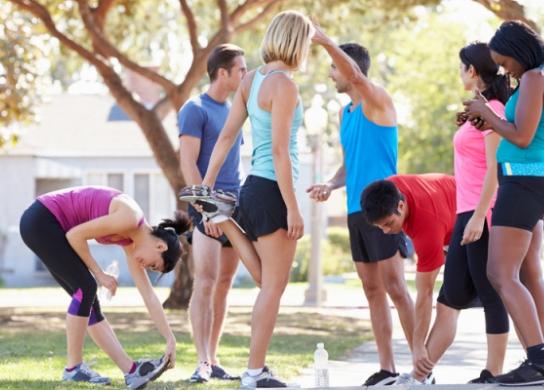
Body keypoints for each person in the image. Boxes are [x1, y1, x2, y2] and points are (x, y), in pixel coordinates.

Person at [183, 10, 314, 389]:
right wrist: (292, 206)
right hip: (274, 190)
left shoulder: (252, 80)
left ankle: (224, 219)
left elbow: (226, 139)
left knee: (265, 280)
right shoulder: (284, 86)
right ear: (297, 43)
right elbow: (278, 151)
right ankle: (254, 373)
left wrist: (206, 189)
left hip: (251, 191)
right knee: (273, 287)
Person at [306, 25, 415, 387]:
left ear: (350, 67)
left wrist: (324, 41)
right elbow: (351, 161)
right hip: (357, 210)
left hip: (385, 209)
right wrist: (331, 183)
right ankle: (388, 369)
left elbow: (353, 73)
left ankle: (422, 369)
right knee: (372, 292)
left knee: (397, 288)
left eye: (333, 67)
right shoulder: (346, 113)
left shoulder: (377, 100)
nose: (330, 73)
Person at [401, 42, 511, 385]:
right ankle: (420, 376)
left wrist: (479, 217)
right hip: (465, 213)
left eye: (461, 67)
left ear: (472, 71)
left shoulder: (493, 109)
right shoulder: (480, 108)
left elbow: (494, 169)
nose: (459, 73)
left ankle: (493, 373)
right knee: (448, 299)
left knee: (491, 294)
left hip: (483, 214)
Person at [463, 20, 544, 386]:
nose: (505, 70)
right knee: (524, 274)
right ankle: (539, 363)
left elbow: (522, 137)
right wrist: (489, 120)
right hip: (526, 179)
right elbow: (522, 130)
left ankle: (540, 361)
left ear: (520, 51)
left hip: (525, 179)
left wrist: (488, 113)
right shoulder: (540, 76)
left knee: (500, 273)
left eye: (506, 62)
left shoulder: (537, 78)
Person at [19, 186, 189, 388]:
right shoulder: (130, 217)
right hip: (43, 219)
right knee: (86, 288)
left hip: (45, 223)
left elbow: (148, 295)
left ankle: (131, 372)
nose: (146, 267)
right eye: (153, 265)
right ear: (160, 247)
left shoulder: (131, 239)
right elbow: (75, 235)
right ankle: (73, 369)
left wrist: (170, 338)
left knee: (89, 300)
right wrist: (100, 274)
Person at [178, 43, 246, 383]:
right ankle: (201, 361)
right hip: (207, 207)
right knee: (204, 281)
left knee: (224, 283)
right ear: (223, 73)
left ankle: (214, 358)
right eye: (241, 70)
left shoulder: (236, 109)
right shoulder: (194, 109)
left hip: (236, 205)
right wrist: (203, 208)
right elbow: (187, 161)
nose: (245, 75)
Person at [360, 173, 457, 385]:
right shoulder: (388, 188)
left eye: (388, 223)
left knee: (449, 304)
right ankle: (420, 377)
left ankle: (419, 378)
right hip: (449, 211)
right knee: (450, 303)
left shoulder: (427, 226)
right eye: (380, 227)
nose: (386, 232)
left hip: (473, 222)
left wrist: (418, 344)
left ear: (401, 206)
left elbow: (425, 293)